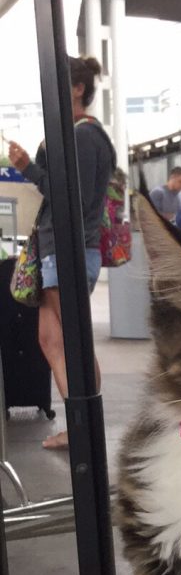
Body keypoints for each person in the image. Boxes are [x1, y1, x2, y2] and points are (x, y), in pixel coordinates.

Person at [7, 55, 114, 450]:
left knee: (71, 342)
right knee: (52, 340)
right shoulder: (76, 135)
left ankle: (87, 426)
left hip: (68, 250)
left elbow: (70, 200)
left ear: (77, 88)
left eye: (57, 83)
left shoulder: (84, 137)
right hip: (61, 250)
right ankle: (80, 424)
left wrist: (28, 170)